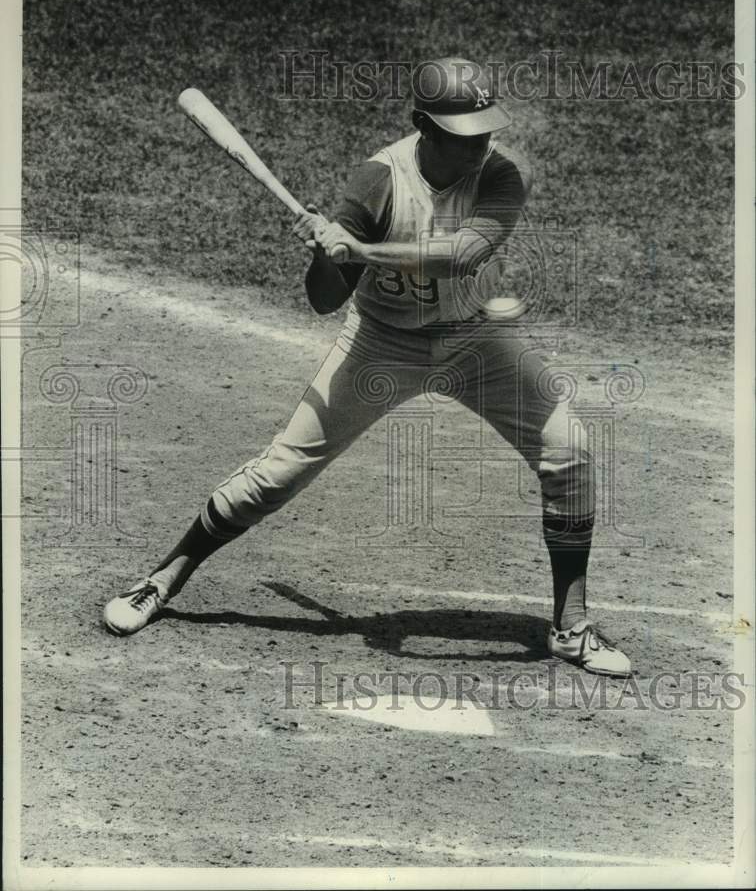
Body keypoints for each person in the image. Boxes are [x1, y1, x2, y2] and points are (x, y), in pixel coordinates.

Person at [103, 56, 631, 677]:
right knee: (278, 473)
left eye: (487, 127)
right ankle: (164, 577)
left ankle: (571, 628)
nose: (482, 143)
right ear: (423, 126)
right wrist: (328, 254)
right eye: (466, 133)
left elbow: (462, 256)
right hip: (382, 344)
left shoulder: (504, 175)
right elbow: (326, 298)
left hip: (475, 341)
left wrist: (364, 248)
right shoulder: (378, 182)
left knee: (568, 450)